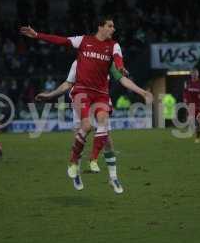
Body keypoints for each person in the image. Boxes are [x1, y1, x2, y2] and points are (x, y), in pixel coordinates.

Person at [20, 16, 129, 188]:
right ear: (100, 27)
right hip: (82, 95)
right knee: (83, 130)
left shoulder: (113, 46)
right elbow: (61, 41)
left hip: (100, 95)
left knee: (106, 136)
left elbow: (118, 59)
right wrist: (38, 35)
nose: (113, 29)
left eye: (113, 26)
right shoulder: (82, 46)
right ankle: (76, 168)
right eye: (110, 26)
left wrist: (121, 67)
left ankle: (108, 173)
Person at [36, 60, 152, 193]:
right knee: (80, 135)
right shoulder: (78, 62)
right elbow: (68, 83)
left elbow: (123, 79)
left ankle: (113, 177)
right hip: (82, 99)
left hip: (100, 99)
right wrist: (50, 95)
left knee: (107, 140)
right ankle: (76, 171)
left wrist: (142, 92)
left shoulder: (107, 60)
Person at [182, 68, 200, 143]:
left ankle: (197, 138)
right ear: (191, 74)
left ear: (198, 74)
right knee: (190, 120)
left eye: (195, 73)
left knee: (198, 122)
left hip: (199, 105)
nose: (194, 74)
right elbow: (185, 92)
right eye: (192, 73)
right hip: (190, 105)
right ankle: (193, 129)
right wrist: (184, 99)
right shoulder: (187, 82)